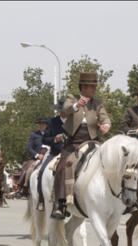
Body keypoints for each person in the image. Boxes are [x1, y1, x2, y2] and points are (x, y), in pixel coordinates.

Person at [51, 72, 111, 219]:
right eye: (91, 87)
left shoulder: (97, 103)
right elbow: (65, 111)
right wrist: (77, 105)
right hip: (74, 141)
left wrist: (106, 125)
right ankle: (60, 203)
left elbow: (105, 117)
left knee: (109, 161)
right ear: (83, 87)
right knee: (62, 165)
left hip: (93, 140)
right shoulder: (71, 98)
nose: (93, 89)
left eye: (94, 87)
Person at [36, 98, 67, 211]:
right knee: (42, 170)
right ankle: (41, 199)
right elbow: (44, 139)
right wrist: (55, 138)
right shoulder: (52, 122)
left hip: (71, 153)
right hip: (55, 153)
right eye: (62, 109)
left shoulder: (74, 121)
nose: (64, 111)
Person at [18, 118, 49, 197]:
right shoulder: (34, 135)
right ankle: (24, 186)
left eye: (44, 124)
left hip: (49, 156)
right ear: (38, 125)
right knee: (29, 170)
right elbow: (29, 148)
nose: (42, 126)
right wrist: (37, 155)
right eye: (40, 124)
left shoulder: (50, 134)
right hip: (37, 158)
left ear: (46, 125)